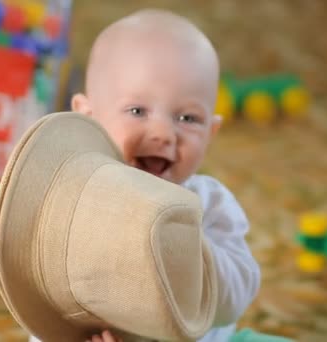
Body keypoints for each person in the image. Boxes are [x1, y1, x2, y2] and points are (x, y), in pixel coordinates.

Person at [29, 8, 279, 342]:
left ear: (211, 132)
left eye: (188, 118)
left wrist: (186, 245)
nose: (163, 132)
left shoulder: (209, 202)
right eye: (137, 111)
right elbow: (41, 295)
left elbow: (236, 297)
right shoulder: (72, 206)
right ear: (87, 117)